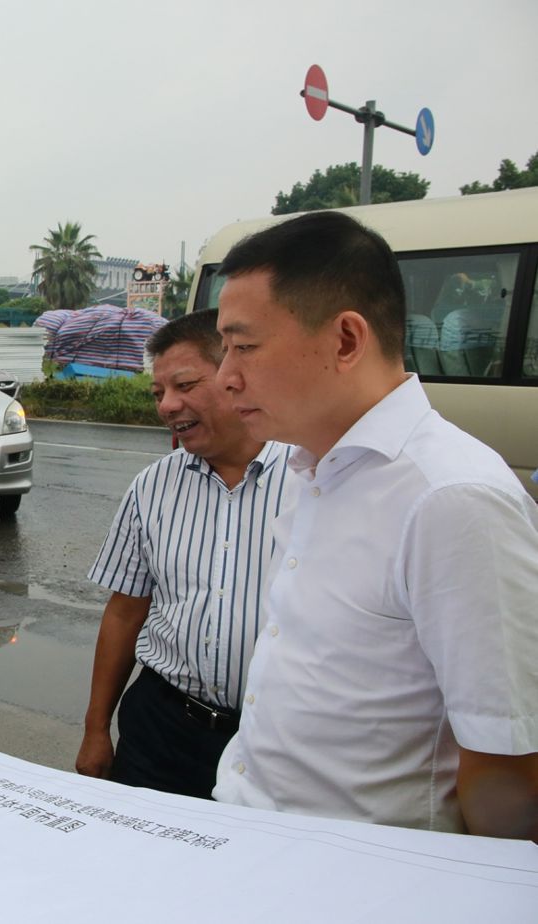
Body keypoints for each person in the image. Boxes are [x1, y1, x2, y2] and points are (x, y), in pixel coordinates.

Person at [211, 210, 538, 837]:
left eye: (244, 346)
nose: (226, 376)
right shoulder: (311, 467)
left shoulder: (451, 499)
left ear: (345, 340)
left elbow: (508, 768)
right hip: (254, 839)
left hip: (365, 871)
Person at [74, 310, 293, 799]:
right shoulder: (152, 486)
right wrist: (95, 729)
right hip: (163, 730)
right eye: (158, 393)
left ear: (236, 375)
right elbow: (124, 612)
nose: (168, 406)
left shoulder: (311, 479)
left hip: (279, 741)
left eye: (185, 385)